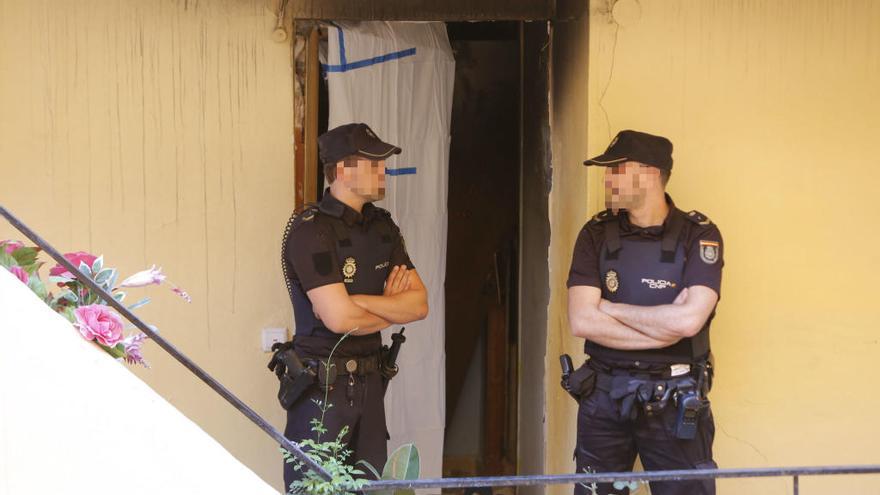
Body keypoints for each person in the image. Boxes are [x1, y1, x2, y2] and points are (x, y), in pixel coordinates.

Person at [566, 130, 724, 495]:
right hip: (603, 395)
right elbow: (581, 320)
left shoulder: (698, 235)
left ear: (650, 174)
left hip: (675, 396)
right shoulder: (595, 234)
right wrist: (663, 327)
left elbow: (689, 321)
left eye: (616, 169)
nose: (607, 179)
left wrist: (609, 307)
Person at [280, 123, 429, 489]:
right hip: (321, 390)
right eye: (374, 163)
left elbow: (419, 305)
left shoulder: (382, 228)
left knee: (372, 487)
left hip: (371, 385)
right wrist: (388, 307)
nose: (384, 171)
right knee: (316, 488)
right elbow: (338, 318)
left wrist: (358, 302)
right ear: (344, 171)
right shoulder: (311, 230)